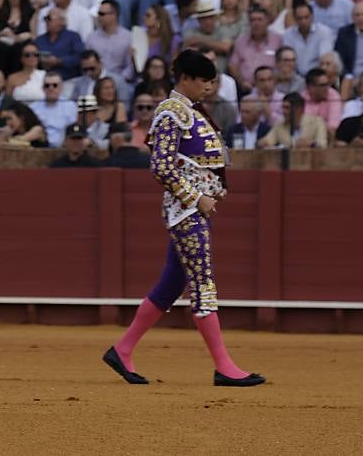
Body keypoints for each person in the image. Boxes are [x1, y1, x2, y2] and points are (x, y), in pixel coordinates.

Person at [103, 49, 265, 387]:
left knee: (171, 285)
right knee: (203, 283)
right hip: (185, 211)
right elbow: (160, 166)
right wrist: (197, 198)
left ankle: (123, 349)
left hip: (193, 209)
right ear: (186, 80)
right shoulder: (170, 113)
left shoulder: (189, 111)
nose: (209, 87)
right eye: (204, 81)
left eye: (211, 81)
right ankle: (223, 366)